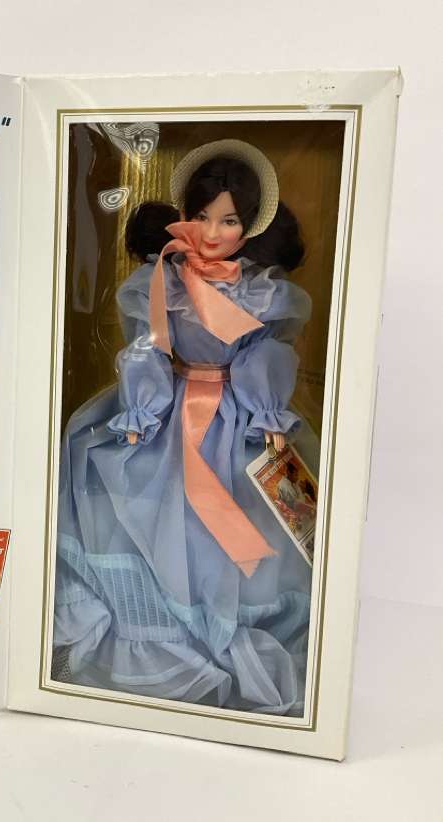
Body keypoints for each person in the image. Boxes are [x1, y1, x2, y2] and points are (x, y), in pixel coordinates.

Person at [52, 140, 316, 716]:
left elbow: (266, 353)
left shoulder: (263, 291)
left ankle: (223, 626)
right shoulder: (160, 280)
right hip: (170, 407)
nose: (213, 232)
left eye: (229, 221)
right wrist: (141, 408)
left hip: (234, 417)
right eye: (202, 217)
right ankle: (163, 626)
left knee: (231, 514)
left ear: (252, 225)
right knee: (122, 478)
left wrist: (268, 411)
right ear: (183, 216)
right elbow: (147, 347)